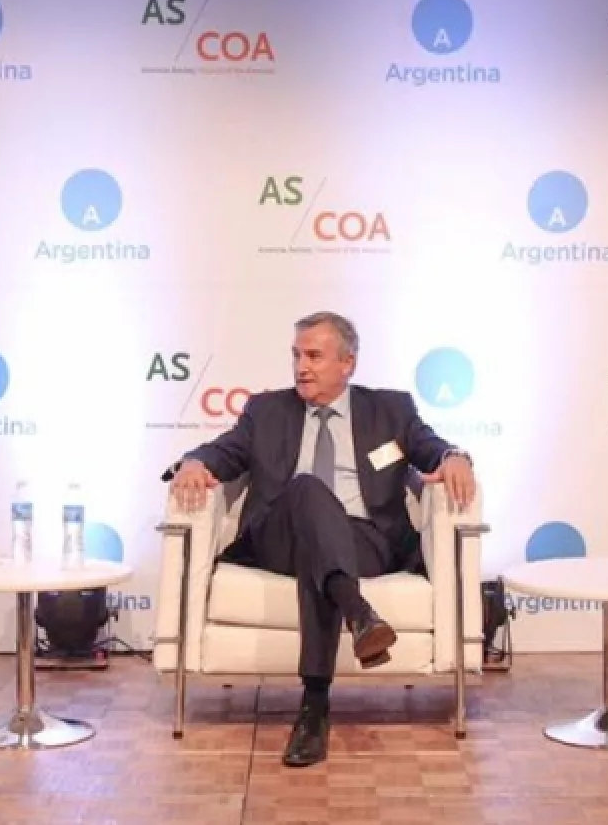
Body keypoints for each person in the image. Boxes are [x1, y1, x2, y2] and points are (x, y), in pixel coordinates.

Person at [167, 311, 477, 767]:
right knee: (307, 490)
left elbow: (433, 447)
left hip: (364, 539)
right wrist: (193, 462)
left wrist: (456, 457)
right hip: (281, 537)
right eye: (296, 355)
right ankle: (358, 617)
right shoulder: (267, 411)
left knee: (324, 551)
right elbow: (223, 451)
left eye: (313, 356)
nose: (301, 367)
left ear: (347, 363)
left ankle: (314, 710)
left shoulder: (390, 410)